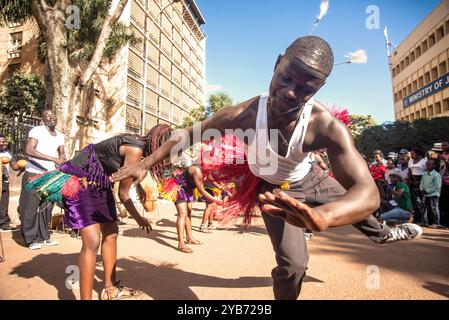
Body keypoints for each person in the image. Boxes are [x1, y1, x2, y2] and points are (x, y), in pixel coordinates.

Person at [113, 36, 422, 300]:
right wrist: (144, 164)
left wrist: (323, 217)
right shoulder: (243, 115)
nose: (290, 92)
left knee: (348, 201)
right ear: (277, 64)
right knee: (293, 266)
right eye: (286, 78)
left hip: (311, 179)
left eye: (304, 89)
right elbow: (189, 133)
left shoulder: (324, 126)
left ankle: (381, 234)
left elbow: (367, 193)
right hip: (272, 189)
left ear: (319, 88)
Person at [26, 125, 169, 300]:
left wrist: (138, 184)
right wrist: (140, 219)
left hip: (100, 183)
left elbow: (123, 176)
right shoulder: (135, 149)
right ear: (160, 145)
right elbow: (123, 194)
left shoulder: (139, 149)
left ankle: (111, 289)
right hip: (80, 180)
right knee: (92, 241)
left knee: (111, 232)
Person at [19, 109, 66, 249]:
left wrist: (64, 164)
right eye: (48, 116)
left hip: (50, 176)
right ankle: (31, 239)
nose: (52, 118)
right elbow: (28, 150)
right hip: (34, 174)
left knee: (47, 207)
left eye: (53, 115)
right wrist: (54, 159)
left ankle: (44, 236)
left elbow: (62, 155)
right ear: (43, 118)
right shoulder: (37, 130)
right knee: (31, 206)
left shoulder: (60, 136)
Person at [158, 164, 223, 252]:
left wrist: (220, 187)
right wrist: (216, 200)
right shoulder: (197, 171)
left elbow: (211, 180)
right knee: (183, 213)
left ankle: (190, 238)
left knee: (188, 213)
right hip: (178, 188)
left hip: (188, 190)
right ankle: (181, 243)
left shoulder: (208, 172)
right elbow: (201, 190)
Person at [0, 135, 20, 232]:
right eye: (2, 142)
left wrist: (22, 167)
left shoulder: (8, 153)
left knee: (4, 202)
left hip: (4, 181)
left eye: (5, 141)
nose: (4, 143)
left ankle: (3, 223)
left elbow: (14, 166)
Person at [420, 158, 443, 228]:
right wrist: (421, 189)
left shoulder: (436, 175)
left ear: (434, 165)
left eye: (429, 164)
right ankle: (424, 222)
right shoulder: (425, 174)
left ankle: (436, 223)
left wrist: (428, 191)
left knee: (434, 208)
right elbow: (421, 183)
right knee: (424, 208)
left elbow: (438, 186)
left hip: (433, 194)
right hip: (425, 194)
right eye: (427, 164)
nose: (427, 165)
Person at [408, 147, 427, 223]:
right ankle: (416, 218)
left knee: (421, 201)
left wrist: (420, 182)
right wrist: (409, 180)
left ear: (418, 154)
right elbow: (410, 171)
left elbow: (426, 172)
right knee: (414, 200)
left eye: (413, 154)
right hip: (412, 181)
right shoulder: (410, 161)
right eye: (411, 154)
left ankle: (423, 219)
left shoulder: (424, 161)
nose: (411, 155)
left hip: (421, 180)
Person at [437, 141, 449, 227]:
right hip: (441, 181)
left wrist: (445, 159)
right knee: (441, 202)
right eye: (442, 145)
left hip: (448, 182)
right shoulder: (442, 154)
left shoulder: (444, 156)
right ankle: (442, 221)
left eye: (445, 145)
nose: (443, 147)